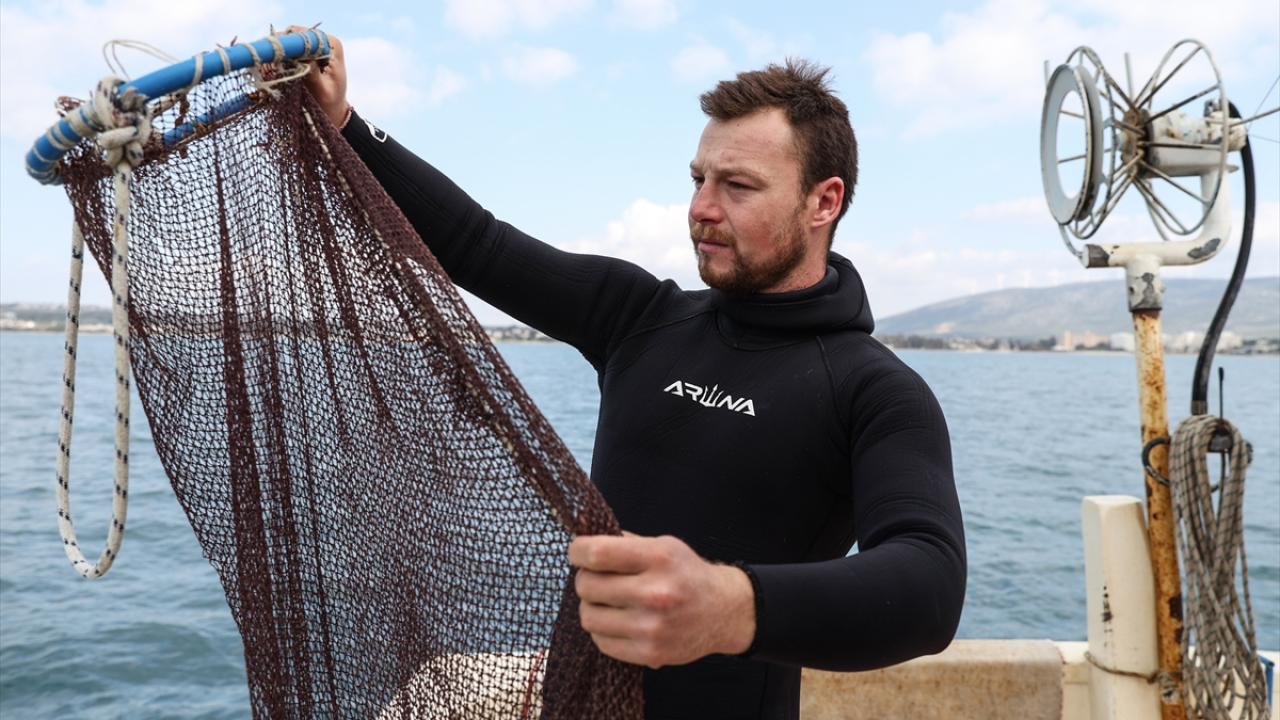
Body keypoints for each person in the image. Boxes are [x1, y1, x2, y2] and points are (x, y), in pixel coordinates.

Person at [301, 31, 965, 720]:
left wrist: (727, 608)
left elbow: (929, 584)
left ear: (823, 203)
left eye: (737, 186)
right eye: (698, 178)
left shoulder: (875, 392)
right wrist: (346, 127)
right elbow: (478, 243)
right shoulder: (640, 316)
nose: (701, 208)